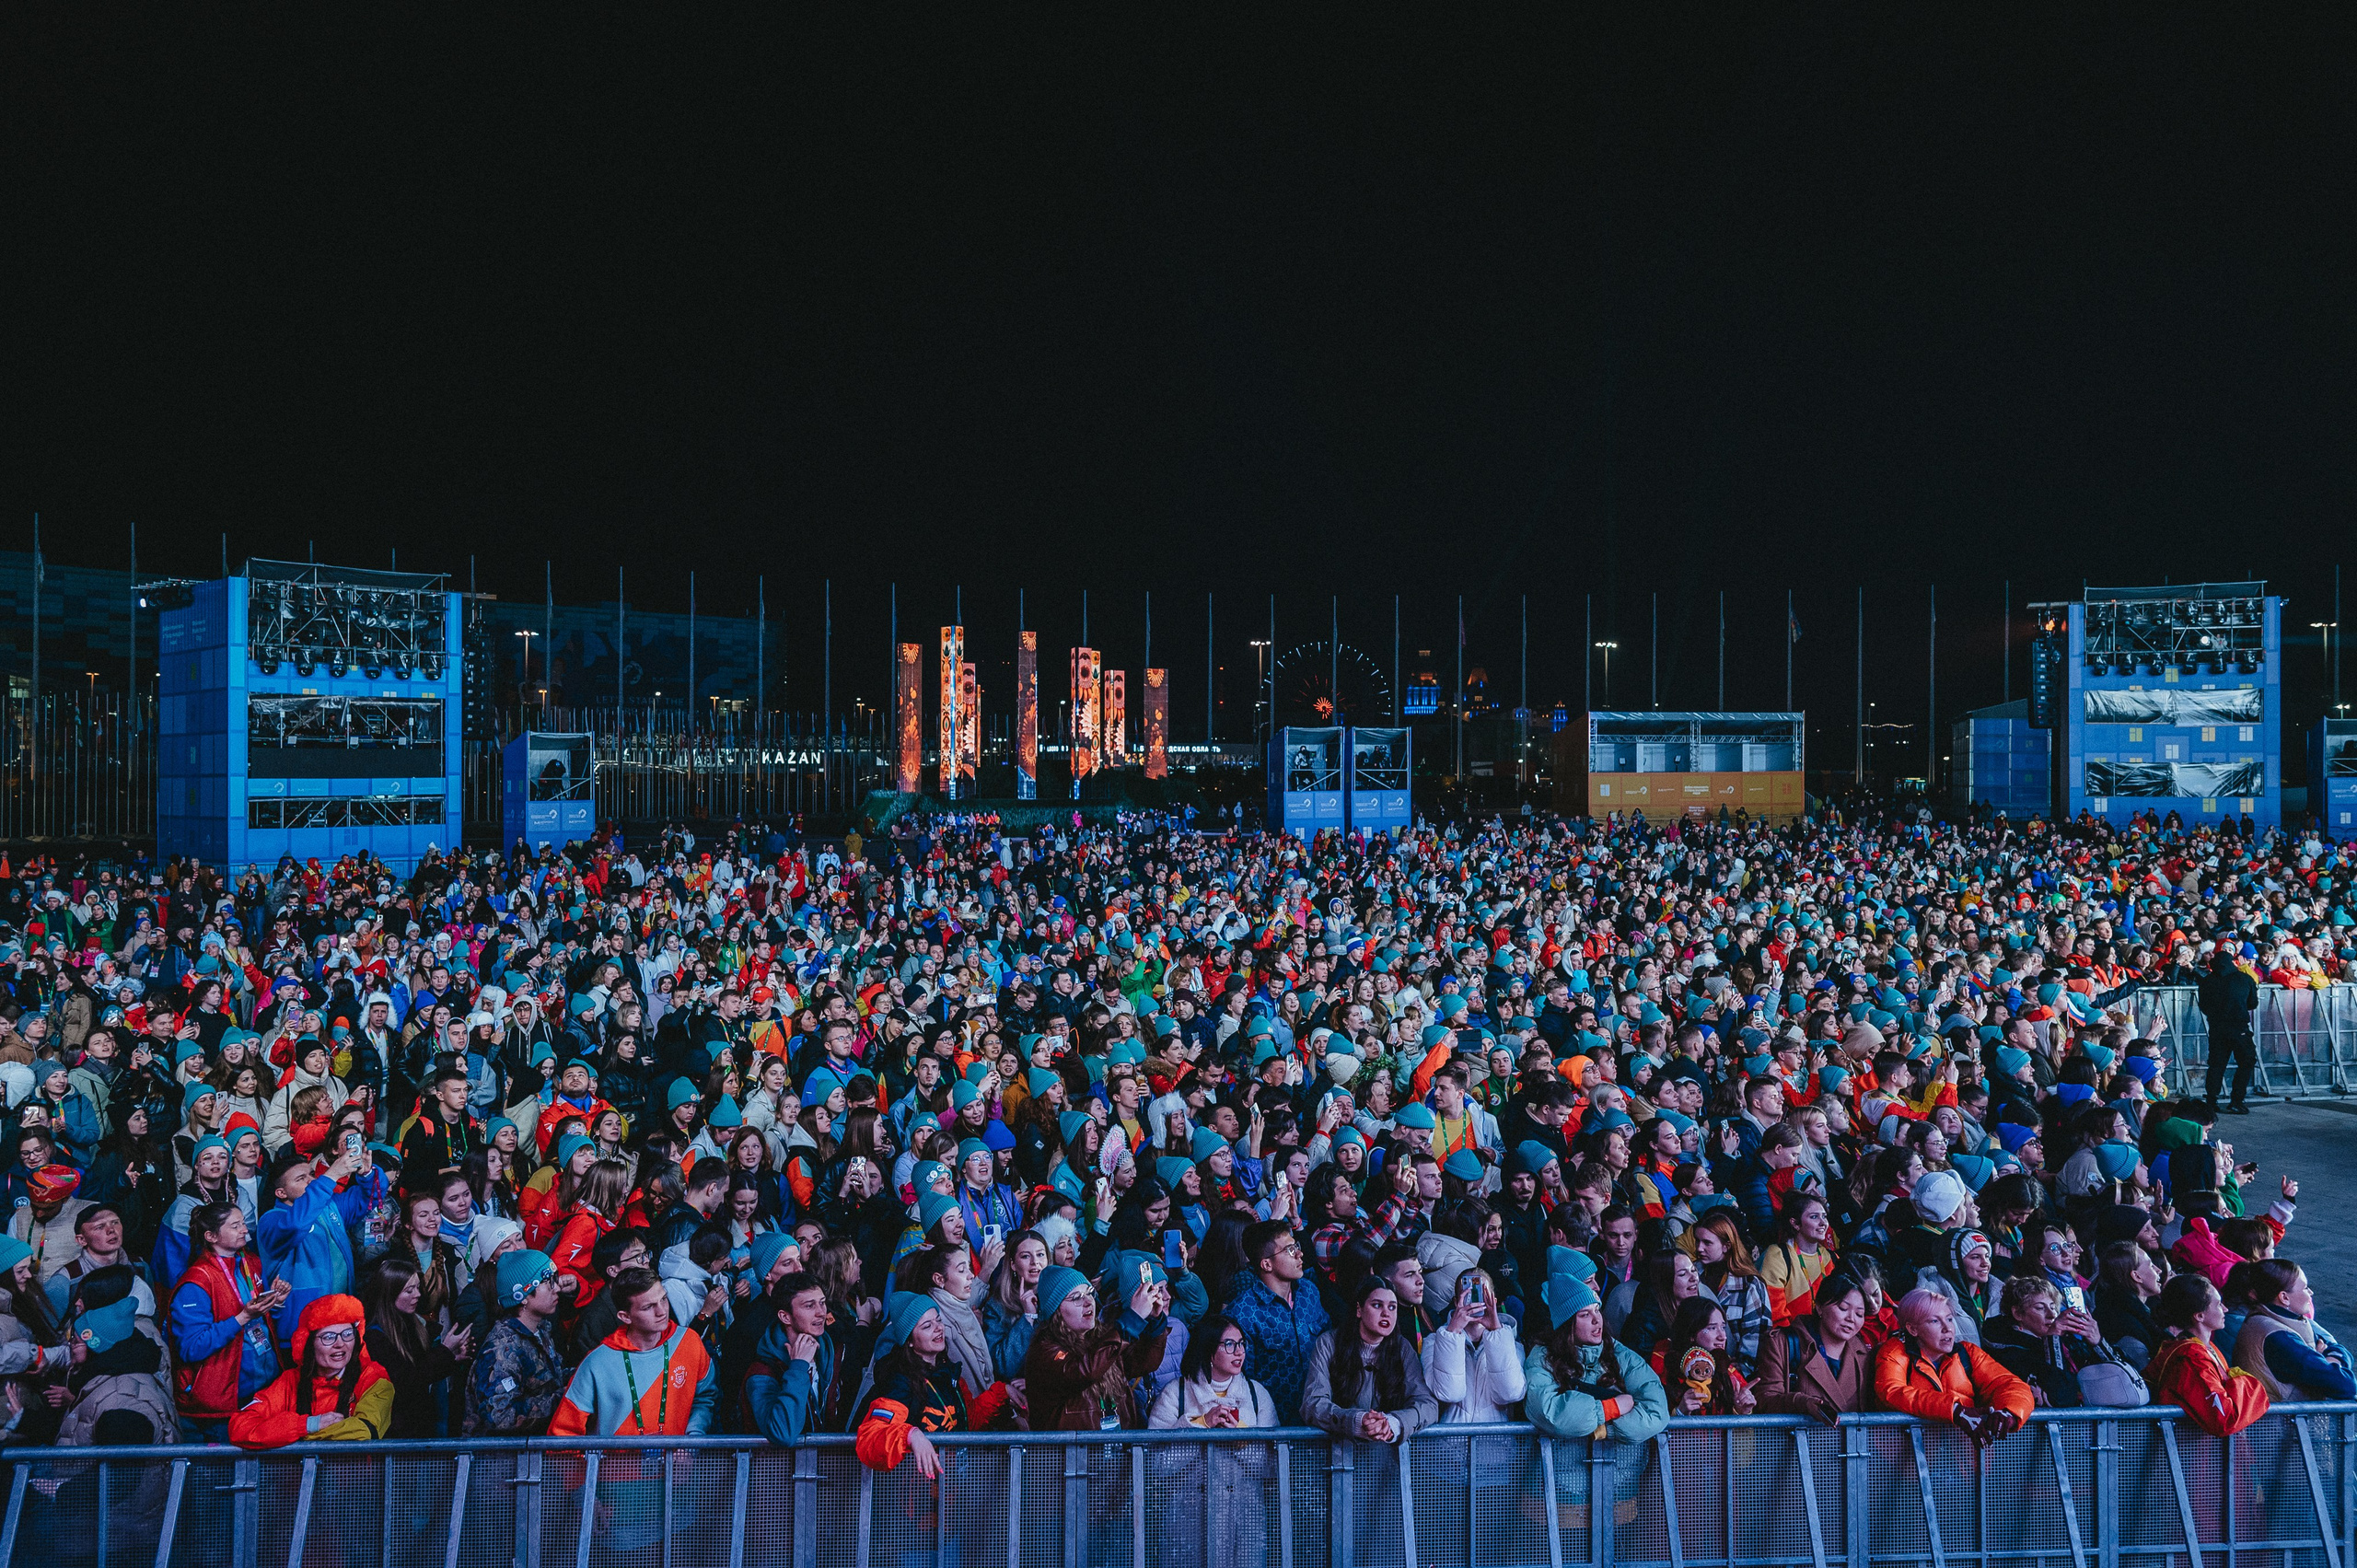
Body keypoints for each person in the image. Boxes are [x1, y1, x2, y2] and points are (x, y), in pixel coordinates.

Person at [164, 1201, 285, 1443]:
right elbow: (191, 1347)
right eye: (235, 1225)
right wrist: (243, 1318)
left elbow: (262, 1322)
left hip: (262, 1390)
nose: (245, 1230)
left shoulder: (251, 1263)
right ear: (211, 1236)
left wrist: (275, 1302)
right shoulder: (196, 1282)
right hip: (221, 1401)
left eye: (243, 1223)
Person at [547, 1266, 717, 1438]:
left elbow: (704, 1398)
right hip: (616, 1465)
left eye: (664, 1299)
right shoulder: (597, 1362)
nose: (662, 1311)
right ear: (625, 1317)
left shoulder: (689, 1342)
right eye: (648, 1307)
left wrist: (692, 1440)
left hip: (677, 1464)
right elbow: (563, 1432)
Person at [855, 1291, 1012, 1474]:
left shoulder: (948, 1374)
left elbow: (969, 1421)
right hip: (914, 1497)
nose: (938, 1328)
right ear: (910, 1341)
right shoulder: (899, 1383)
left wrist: (1003, 1392)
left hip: (952, 1492)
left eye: (938, 1320)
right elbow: (870, 1437)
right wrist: (911, 1435)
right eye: (927, 1326)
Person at [1020, 1259, 1170, 1429]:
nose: (1088, 1301)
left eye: (1090, 1292)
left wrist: (1155, 1322)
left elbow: (1142, 1363)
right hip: (1072, 1453)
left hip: (1114, 1448)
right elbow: (1083, 1371)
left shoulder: (1102, 1337)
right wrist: (1131, 1319)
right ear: (1056, 1311)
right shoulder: (1044, 1349)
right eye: (1076, 1297)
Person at [227, 1294, 394, 1447]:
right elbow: (240, 1427)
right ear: (308, 1343)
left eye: (347, 1334)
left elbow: (364, 1430)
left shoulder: (373, 1378)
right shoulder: (291, 1381)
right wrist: (307, 1425)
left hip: (353, 1478)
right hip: (296, 1479)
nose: (340, 1343)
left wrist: (294, 1439)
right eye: (328, 1337)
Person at [1872, 1287, 2033, 1445]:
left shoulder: (1968, 1353)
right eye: (1935, 1321)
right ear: (1913, 1329)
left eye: (1949, 1319)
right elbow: (1892, 1392)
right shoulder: (1893, 1352)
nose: (1947, 1328)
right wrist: (1954, 1410)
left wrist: (2008, 1412)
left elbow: (2011, 1384)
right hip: (1909, 1462)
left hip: (1966, 1464)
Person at [1523, 1273, 1670, 1441]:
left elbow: (1656, 1410)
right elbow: (1550, 1412)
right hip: (1562, 1466)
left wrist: (1605, 1431)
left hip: (1623, 1465)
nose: (1596, 1320)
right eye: (1585, 1314)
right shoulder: (1542, 1357)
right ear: (1566, 1323)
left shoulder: (1620, 1354)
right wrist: (1610, 1408)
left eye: (1597, 1310)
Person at [1300, 1275, 1438, 1444]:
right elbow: (1313, 1403)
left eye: (1392, 1307)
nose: (1386, 1313)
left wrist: (1393, 1423)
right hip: (1337, 1455)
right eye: (1377, 1305)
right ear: (1359, 1309)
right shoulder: (1328, 1343)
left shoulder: (1402, 1348)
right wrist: (1357, 1420)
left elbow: (1428, 1405)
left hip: (1387, 1457)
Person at [1227, 1219, 1330, 1424]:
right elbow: (1240, 1380)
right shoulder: (1243, 1312)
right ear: (1266, 1264)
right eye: (1290, 1250)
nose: (1299, 1254)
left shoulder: (1309, 1292)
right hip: (1271, 1424)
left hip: (1318, 1419)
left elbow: (1327, 1344)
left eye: (1297, 1247)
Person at [356, 1254, 470, 1438]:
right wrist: (444, 1352)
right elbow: (407, 1382)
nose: (417, 1295)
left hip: (420, 1427)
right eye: (409, 1291)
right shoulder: (375, 1337)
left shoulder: (413, 1325)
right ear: (389, 1293)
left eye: (417, 1288)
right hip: (397, 1433)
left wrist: (452, 1359)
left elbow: (422, 1369)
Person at [2146, 1272, 2269, 1437]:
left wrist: (2234, 1385)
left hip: (2206, 1457)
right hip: (2191, 1459)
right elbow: (2225, 1420)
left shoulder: (2207, 1348)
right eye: (2218, 1304)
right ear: (2199, 1316)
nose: (2225, 1309)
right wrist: (2249, 1383)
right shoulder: (2191, 1358)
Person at [463, 1248, 567, 1436]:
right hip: (499, 1461)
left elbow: (552, 1380)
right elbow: (501, 1417)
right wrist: (564, 1399)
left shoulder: (540, 1330)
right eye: (548, 1282)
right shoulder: (501, 1349)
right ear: (523, 1296)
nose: (557, 1288)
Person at [1754, 1268, 1875, 1422]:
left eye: (1859, 1314)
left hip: (1849, 1444)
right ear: (1819, 1307)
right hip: (1797, 1443)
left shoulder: (1863, 1353)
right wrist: (1802, 1403)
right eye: (1843, 1308)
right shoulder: (1782, 1344)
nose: (1851, 1318)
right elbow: (1765, 1401)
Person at [2226, 1260, 2355, 1401]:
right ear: (2284, 1297)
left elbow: (2339, 1349)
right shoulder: (2279, 1338)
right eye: (2305, 1288)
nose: (2311, 1292)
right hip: (2286, 1422)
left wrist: (2327, 1361)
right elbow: (2346, 1385)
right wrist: (2328, 1360)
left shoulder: (2270, 1318)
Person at [1422, 1266, 1524, 1422]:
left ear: (1493, 1301)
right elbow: (1448, 1393)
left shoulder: (1511, 1343)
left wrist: (1497, 1332)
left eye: (1482, 1295)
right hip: (1449, 1444)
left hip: (1497, 1443)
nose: (1475, 1301)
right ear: (1456, 1302)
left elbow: (1510, 1393)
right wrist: (1452, 1333)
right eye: (1469, 1295)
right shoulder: (1435, 1342)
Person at [1146, 1313, 1279, 1427]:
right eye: (1229, 1344)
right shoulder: (1174, 1393)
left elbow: (1274, 1454)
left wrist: (1241, 1438)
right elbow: (1157, 1454)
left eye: (1241, 1343)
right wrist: (1202, 1423)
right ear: (1208, 1349)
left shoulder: (1257, 1393)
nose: (1239, 1352)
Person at [2196, 948, 2258, 1115]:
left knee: (2216, 1065)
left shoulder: (2207, 981)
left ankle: (2211, 1101)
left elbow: (2203, 1006)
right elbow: (2253, 1003)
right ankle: (2237, 1100)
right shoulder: (2244, 979)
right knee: (2246, 1062)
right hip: (2239, 1028)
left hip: (2217, 1029)